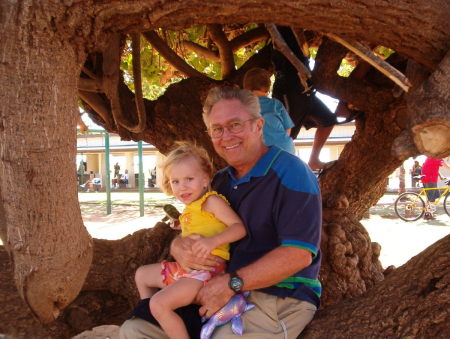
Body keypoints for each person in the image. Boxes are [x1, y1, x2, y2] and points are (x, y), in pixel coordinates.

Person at [120, 86, 322, 339]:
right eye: (217, 129)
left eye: (235, 124)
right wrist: (179, 247)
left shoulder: (291, 173)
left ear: (259, 125)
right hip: (218, 287)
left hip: (280, 294)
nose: (226, 136)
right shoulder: (219, 182)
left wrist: (231, 284)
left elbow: (298, 255)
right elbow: (201, 229)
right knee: (137, 330)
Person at [133, 141, 247, 339]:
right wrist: (181, 227)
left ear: (205, 179)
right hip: (187, 270)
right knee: (142, 275)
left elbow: (239, 229)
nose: (182, 187)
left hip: (206, 273)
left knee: (158, 303)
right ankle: (158, 319)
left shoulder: (211, 201)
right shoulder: (189, 209)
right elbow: (198, 227)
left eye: (189, 179)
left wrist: (213, 242)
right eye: (175, 181)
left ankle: (169, 320)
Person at [271, 25, 338, 170]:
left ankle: (314, 160)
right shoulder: (278, 30)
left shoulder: (297, 30)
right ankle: (278, 169)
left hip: (305, 90)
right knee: (286, 135)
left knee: (328, 120)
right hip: (288, 91)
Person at [243, 67, 296, 154]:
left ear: (247, 91)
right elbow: (288, 127)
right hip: (286, 148)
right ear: (268, 88)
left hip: (261, 151)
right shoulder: (276, 104)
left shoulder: (244, 107)